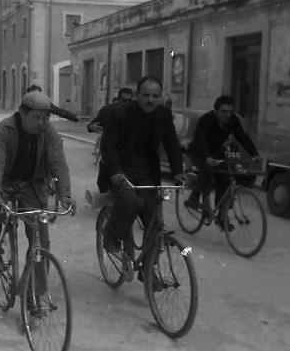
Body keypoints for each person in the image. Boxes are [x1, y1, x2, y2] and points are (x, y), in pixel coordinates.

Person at [0, 91, 76, 271]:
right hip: (4, 182)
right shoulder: (5, 129)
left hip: (32, 184)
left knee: (40, 236)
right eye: (37, 117)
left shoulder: (48, 132)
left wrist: (64, 194)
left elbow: (56, 166)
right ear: (23, 114)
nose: (42, 122)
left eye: (46, 117)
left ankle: (35, 294)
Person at [99, 76, 185, 255]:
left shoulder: (163, 114)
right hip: (121, 172)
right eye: (146, 95)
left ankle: (149, 272)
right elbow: (108, 145)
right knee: (131, 202)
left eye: (155, 96)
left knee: (154, 220)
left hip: (147, 174)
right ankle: (111, 234)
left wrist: (178, 172)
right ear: (137, 95)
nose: (150, 100)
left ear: (160, 97)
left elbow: (171, 143)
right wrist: (115, 172)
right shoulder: (119, 113)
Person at [185, 95, 260, 229]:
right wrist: (207, 157)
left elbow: (242, 138)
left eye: (230, 112)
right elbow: (201, 140)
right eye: (224, 112)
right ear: (216, 111)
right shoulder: (205, 120)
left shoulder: (233, 121)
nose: (228, 115)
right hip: (199, 151)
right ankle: (194, 197)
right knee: (207, 171)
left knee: (225, 178)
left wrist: (254, 154)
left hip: (217, 153)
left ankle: (221, 217)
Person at [87, 87, 134, 156]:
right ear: (119, 100)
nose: (127, 103)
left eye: (129, 101)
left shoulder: (136, 113)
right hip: (111, 151)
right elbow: (91, 125)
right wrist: (92, 127)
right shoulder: (108, 110)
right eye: (124, 100)